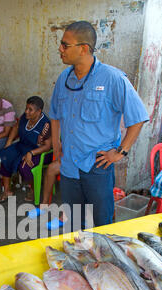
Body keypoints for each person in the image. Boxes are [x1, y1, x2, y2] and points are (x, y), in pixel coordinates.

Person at [49, 21, 149, 229]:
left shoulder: (113, 78)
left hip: (97, 166)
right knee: (73, 223)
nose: (60, 49)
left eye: (65, 45)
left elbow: (138, 117)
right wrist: (56, 145)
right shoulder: (63, 79)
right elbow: (56, 115)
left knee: (101, 224)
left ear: (84, 48)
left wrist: (120, 152)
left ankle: (102, 260)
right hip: (69, 166)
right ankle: (78, 258)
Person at [0, 96, 52, 202]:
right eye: (26, 108)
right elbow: (16, 127)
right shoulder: (25, 117)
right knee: (6, 155)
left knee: (25, 167)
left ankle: (32, 188)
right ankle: (7, 190)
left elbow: (47, 146)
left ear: (39, 111)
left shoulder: (45, 124)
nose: (26, 111)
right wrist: (8, 143)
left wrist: (31, 153)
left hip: (40, 152)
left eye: (30, 110)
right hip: (23, 146)